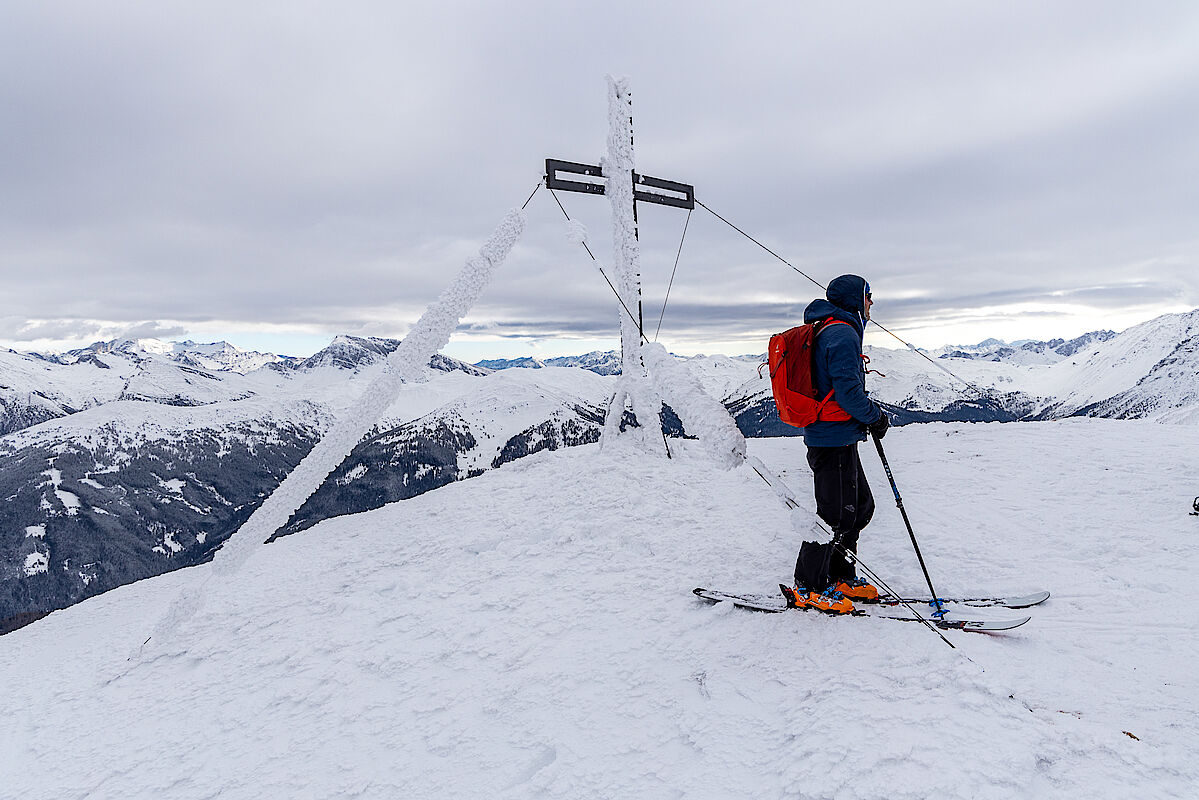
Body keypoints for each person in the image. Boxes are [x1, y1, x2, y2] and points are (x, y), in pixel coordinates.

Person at [784, 274, 890, 614]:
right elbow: (848, 393)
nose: (872, 302)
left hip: (838, 436)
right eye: (868, 295)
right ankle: (809, 585)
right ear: (855, 299)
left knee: (859, 507)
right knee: (834, 515)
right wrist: (873, 416)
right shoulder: (841, 333)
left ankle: (840, 575)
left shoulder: (834, 329)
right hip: (831, 439)